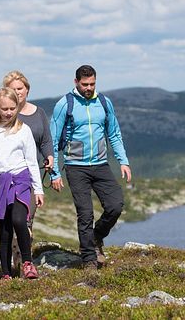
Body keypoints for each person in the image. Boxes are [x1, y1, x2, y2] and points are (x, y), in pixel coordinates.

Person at [49, 64, 132, 269]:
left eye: (92, 84)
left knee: (115, 206)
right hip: (75, 166)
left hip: (101, 164)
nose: (89, 88)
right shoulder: (64, 104)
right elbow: (51, 140)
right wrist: (54, 173)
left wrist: (123, 161)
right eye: (85, 84)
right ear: (76, 82)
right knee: (85, 214)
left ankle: (97, 237)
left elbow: (113, 133)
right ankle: (89, 260)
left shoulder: (104, 102)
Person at [0, 87, 45, 280]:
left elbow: (32, 161)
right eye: (4, 108)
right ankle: (6, 272)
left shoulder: (24, 130)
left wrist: (38, 190)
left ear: (17, 107)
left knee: (19, 220)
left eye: (12, 108)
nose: (8, 112)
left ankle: (28, 263)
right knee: (4, 231)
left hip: (20, 181)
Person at [2, 70, 54, 275]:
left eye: (20, 88)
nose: (18, 92)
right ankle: (21, 261)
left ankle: (24, 262)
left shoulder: (38, 112)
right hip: (10, 177)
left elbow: (46, 139)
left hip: (32, 175)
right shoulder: (6, 114)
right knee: (14, 221)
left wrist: (49, 156)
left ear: (27, 89)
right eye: (13, 89)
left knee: (25, 219)